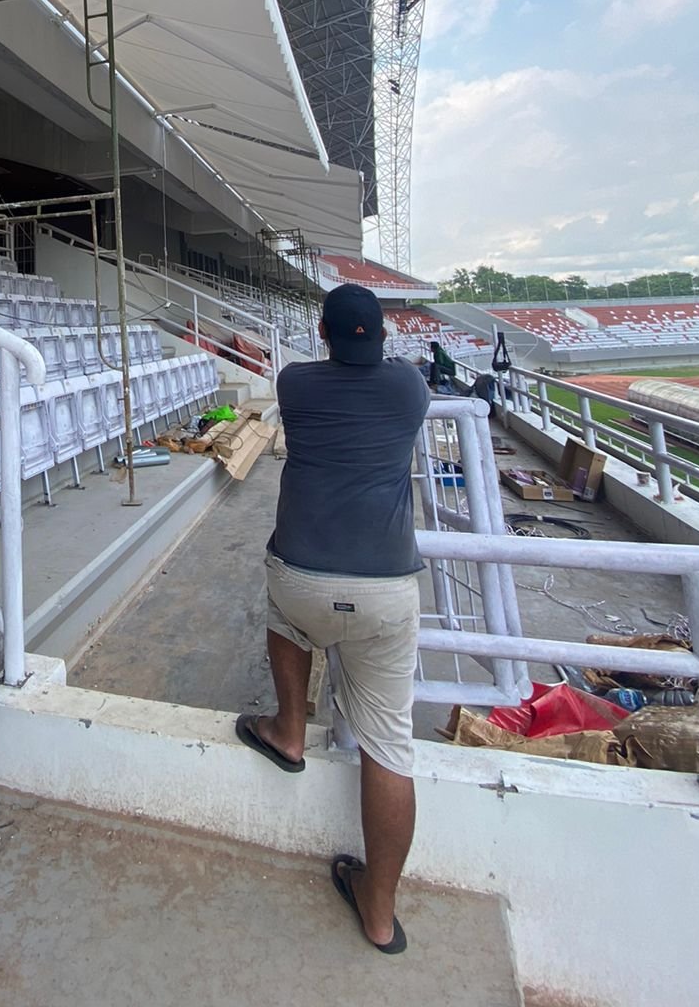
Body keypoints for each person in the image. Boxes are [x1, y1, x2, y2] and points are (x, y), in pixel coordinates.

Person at [235, 282, 430, 956]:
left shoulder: (295, 384)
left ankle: (289, 728)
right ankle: (379, 915)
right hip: (385, 593)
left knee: (284, 613)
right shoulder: (409, 390)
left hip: (304, 580)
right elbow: (400, 369)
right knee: (388, 747)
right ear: (380, 337)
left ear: (321, 333)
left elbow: (319, 374)